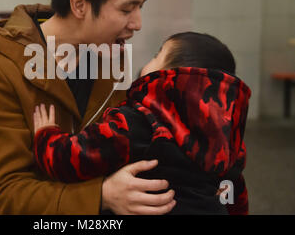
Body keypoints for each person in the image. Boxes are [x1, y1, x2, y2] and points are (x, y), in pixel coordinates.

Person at [0, 0, 176, 214]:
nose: (138, 23)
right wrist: (100, 196)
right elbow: (7, 197)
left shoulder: (111, 55)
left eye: (141, 6)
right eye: (127, 9)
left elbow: (128, 145)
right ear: (79, 4)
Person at [33, 32, 251, 215]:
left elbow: (71, 159)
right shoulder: (227, 141)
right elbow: (235, 195)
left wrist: (46, 135)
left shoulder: (138, 122)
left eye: (158, 55)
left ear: (169, 76)